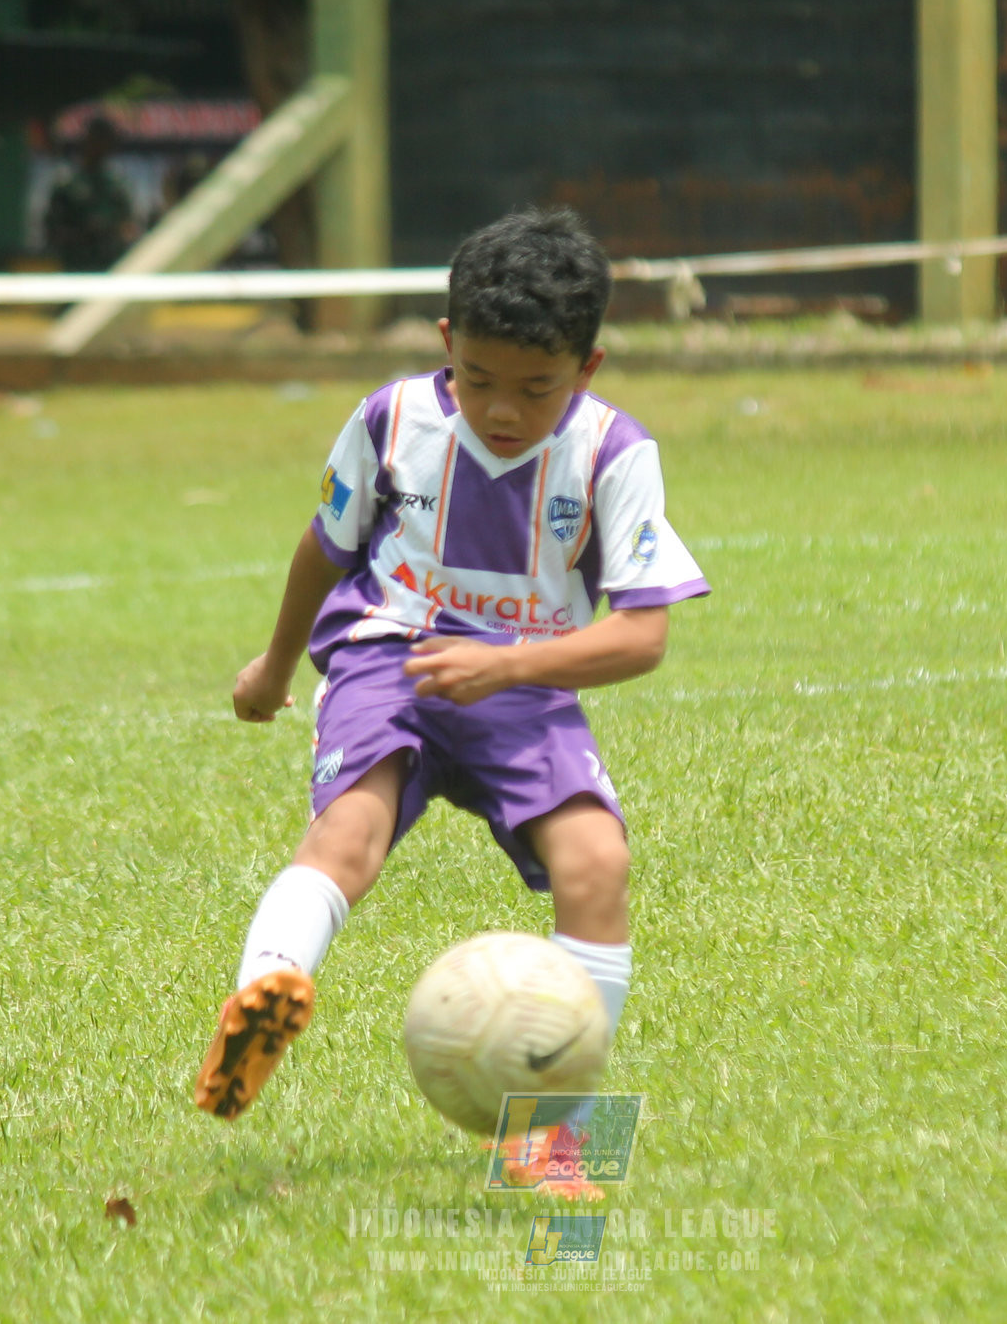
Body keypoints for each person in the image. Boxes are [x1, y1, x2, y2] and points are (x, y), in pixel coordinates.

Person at [194, 208, 708, 1129]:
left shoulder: (616, 455)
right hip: (388, 655)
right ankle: (266, 994)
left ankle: (563, 1138)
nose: (503, 409)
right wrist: (274, 667)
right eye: (478, 379)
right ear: (446, 344)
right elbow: (325, 546)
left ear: (587, 368)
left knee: (598, 862)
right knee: (347, 835)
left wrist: (507, 665)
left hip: (522, 681)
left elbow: (643, 636)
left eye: (536, 387)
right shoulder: (392, 419)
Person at [42, 117, 137, 272]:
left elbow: (129, 227)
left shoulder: (117, 184)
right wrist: (84, 233)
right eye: (97, 140)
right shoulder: (67, 183)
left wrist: (111, 232)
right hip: (76, 265)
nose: (101, 146)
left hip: (111, 266)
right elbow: (51, 231)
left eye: (105, 141)